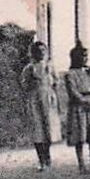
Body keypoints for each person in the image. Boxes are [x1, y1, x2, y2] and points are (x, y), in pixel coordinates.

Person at [20, 41, 61, 171]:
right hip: (35, 99)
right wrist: (32, 83)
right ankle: (41, 160)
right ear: (33, 53)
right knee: (38, 129)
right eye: (38, 51)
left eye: (43, 51)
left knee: (48, 128)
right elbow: (24, 85)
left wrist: (53, 92)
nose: (41, 53)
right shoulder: (29, 68)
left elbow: (57, 81)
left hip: (48, 98)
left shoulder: (50, 66)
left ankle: (48, 157)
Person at [62, 44, 90, 174]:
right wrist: (84, 101)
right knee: (79, 135)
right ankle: (81, 164)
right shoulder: (70, 74)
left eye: (86, 56)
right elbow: (72, 92)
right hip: (78, 107)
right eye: (82, 56)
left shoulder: (89, 72)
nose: (84, 59)